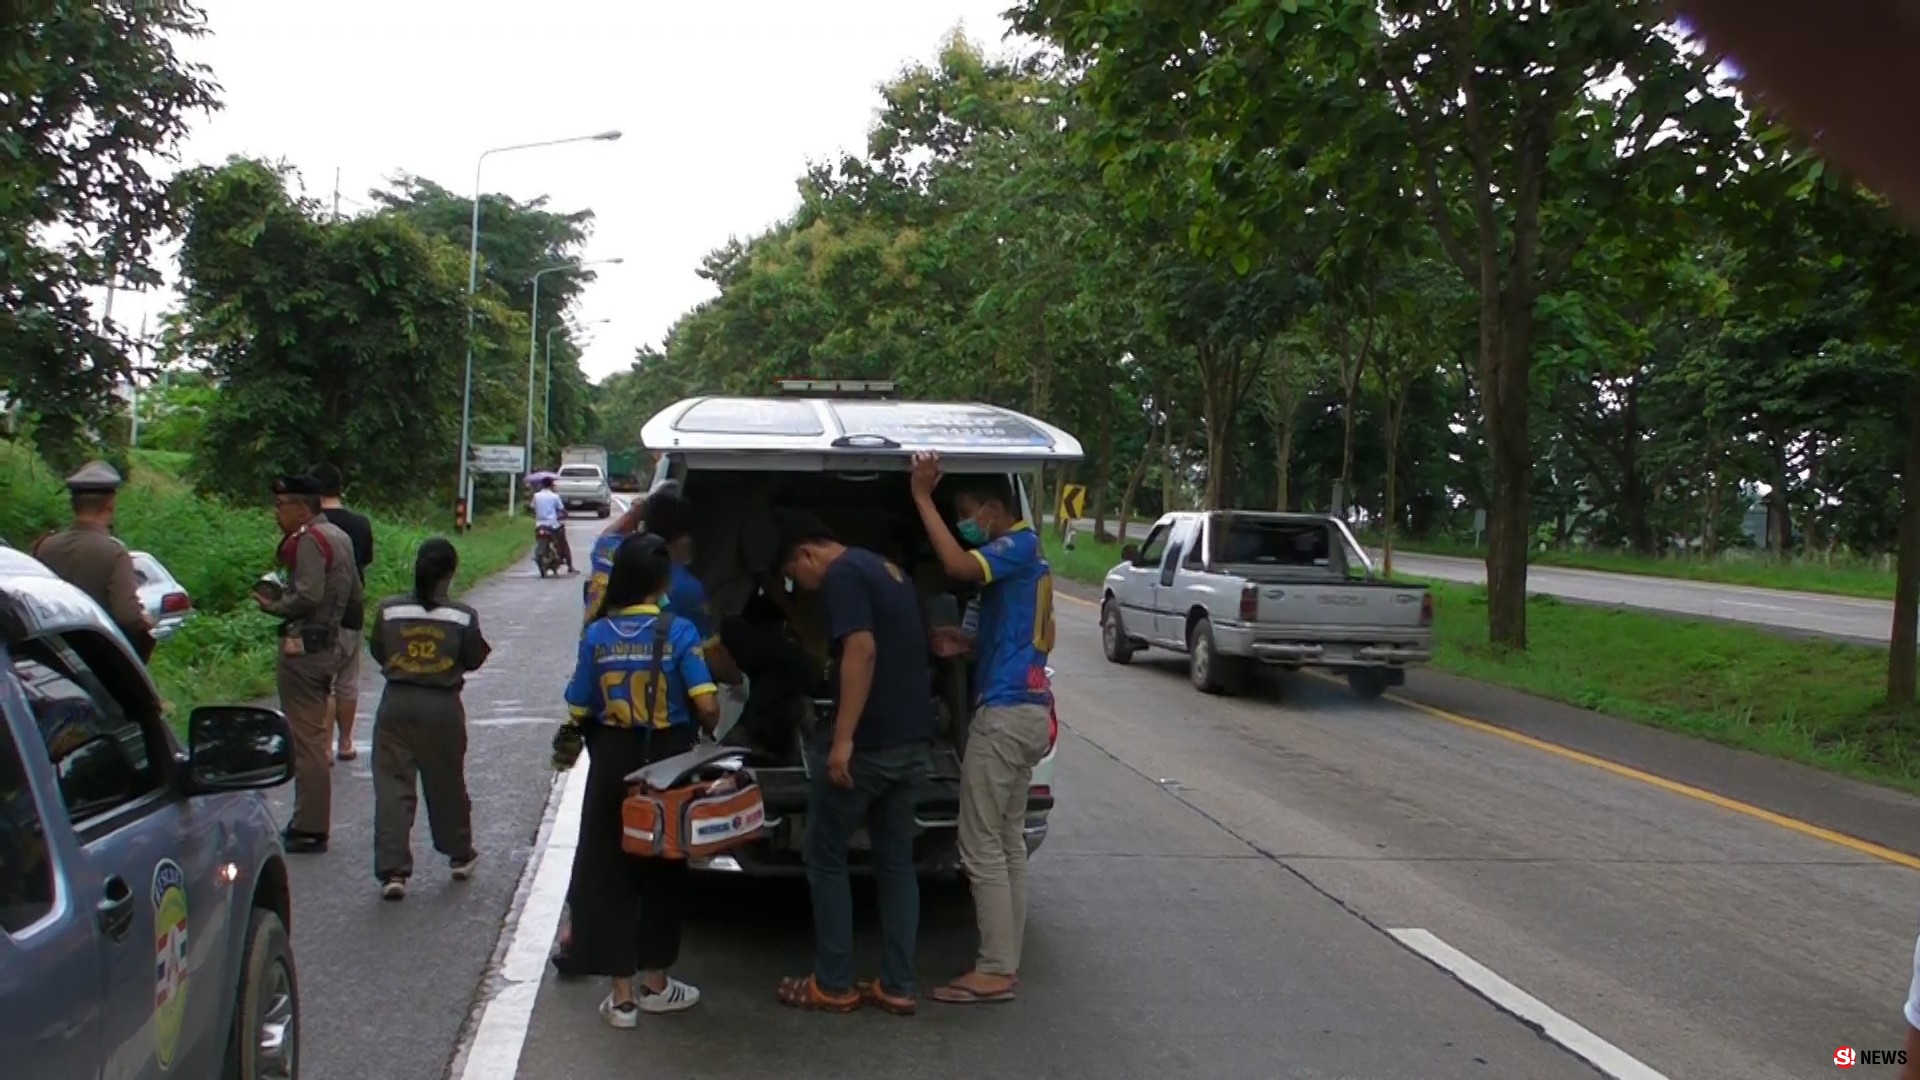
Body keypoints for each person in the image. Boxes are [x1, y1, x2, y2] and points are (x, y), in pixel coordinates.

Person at [550, 532, 718, 1028]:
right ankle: (656, 984)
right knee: (664, 868)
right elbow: (707, 706)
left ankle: (621, 998)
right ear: (662, 581)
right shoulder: (680, 631)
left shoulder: (597, 635)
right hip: (666, 762)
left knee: (610, 869)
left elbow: (579, 705)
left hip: (611, 760)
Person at [774, 512, 934, 1016]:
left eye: (792, 575)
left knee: (825, 857)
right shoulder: (888, 571)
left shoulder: (842, 576)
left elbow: (860, 651)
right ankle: (898, 985)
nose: (799, 586)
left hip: (869, 747)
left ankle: (834, 983)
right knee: (895, 863)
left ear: (807, 554)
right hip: (912, 741)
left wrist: (842, 740)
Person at [908, 453, 1054, 1005]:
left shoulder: (1015, 545)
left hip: (1007, 711)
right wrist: (964, 643)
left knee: (979, 845)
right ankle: (1005, 961)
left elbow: (958, 569)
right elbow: (1012, 630)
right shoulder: (1028, 557)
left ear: (995, 509)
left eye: (968, 513)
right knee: (1008, 841)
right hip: (1029, 709)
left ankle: (994, 968)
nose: (967, 524)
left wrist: (922, 498)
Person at [368, 538, 490, 900]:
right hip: (442, 707)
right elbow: (474, 657)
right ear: (450, 573)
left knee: (392, 787)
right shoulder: (462, 615)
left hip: (396, 704)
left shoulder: (388, 610)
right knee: (446, 784)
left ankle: (393, 872)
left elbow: (378, 650)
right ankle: (459, 854)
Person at [258, 473, 364, 854]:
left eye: (281, 505)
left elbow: (307, 595)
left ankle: (310, 824)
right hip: (331, 643)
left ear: (302, 506)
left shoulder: (308, 540)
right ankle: (311, 819)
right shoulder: (340, 537)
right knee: (314, 737)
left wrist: (275, 605)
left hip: (304, 648)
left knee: (307, 742)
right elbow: (354, 592)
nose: (276, 513)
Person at [31, 461, 156, 662]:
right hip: (97, 662)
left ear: (74, 505)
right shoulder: (114, 553)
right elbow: (127, 617)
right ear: (110, 504)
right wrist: (145, 623)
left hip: (50, 657)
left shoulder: (45, 546)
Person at [311, 463, 375, 762]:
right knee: (347, 680)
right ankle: (346, 741)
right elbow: (366, 561)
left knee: (323, 681)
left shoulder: (311, 526)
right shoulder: (360, 523)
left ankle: (323, 746)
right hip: (352, 607)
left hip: (318, 611)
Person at [531, 476, 575, 574]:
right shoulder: (555, 496)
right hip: (553, 525)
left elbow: (533, 508)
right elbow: (561, 509)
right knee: (563, 543)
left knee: (539, 539)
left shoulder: (536, 496)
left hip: (539, 525)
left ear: (541, 485)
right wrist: (565, 515)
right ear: (551, 485)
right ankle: (570, 566)